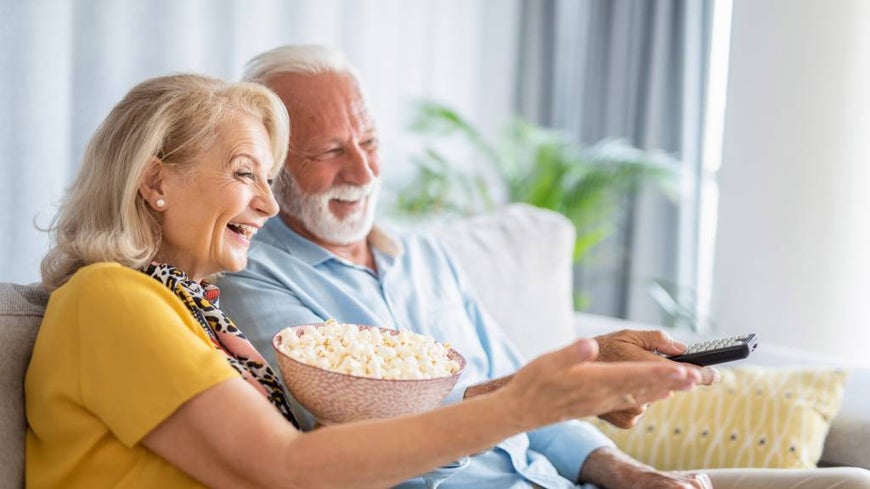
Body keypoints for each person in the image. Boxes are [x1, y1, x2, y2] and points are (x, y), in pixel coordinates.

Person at [217, 45, 870, 489]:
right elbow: (360, 437)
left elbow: (522, 390)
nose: (362, 171)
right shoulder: (251, 279)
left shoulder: (426, 257)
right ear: (271, 163)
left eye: (369, 141)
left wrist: (626, 470)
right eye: (330, 151)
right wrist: (557, 385)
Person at [24, 73, 704, 489]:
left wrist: (554, 392)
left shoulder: (200, 316)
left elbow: (336, 455)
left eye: (267, 178)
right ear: (155, 182)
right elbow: (288, 469)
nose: (266, 204)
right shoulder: (109, 299)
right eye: (243, 174)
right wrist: (525, 404)